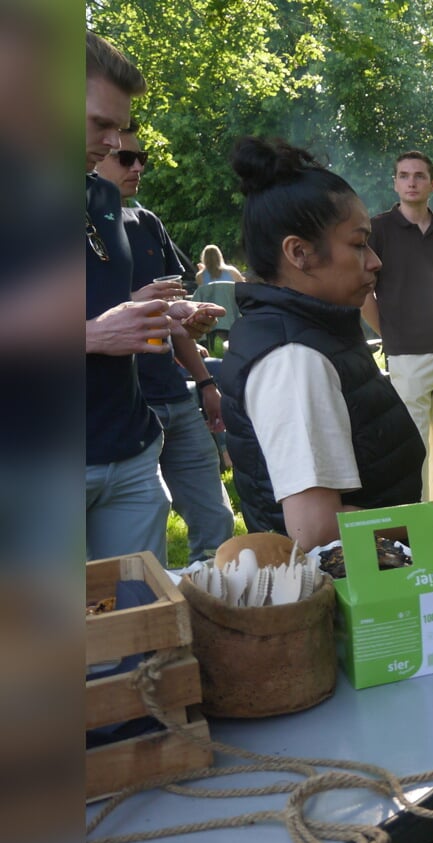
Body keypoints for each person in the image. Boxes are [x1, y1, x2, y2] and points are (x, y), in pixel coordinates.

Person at [217, 136, 433, 555]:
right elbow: (314, 531)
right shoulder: (295, 360)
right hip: (339, 598)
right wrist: (424, 522)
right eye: (359, 245)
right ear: (298, 252)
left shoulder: (309, 335)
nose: (375, 260)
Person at [85, 31, 220, 563]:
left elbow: (105, 300)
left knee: (139, 629)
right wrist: (92, 334)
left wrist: (160, 310)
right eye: (102, 124)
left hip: (133, 449)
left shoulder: (101, 197)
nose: (116, 143)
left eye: (120, 127)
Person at [361, 150, 433, 509]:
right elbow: (364, 294)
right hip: (406, 355)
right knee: (414, 446)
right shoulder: (376, 231)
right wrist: (393, 335)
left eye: (419, 175)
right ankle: (417, 525)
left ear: (432, 183)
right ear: (395, 183)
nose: (411, 181)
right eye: (404, 175)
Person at [193, 244, 243, 352]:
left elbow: (203, 295)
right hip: (232, 314)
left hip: (212, 316)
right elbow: (243, 289)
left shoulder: (200, 276)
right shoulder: (232, 271)